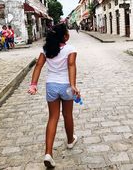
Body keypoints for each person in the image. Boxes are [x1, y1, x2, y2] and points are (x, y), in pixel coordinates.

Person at [28, 23, 80, 168]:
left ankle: (48, 153)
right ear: (65, 36)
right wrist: (73, 85)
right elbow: (71, 66)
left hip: (51, 86)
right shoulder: (70, 49)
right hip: (66, 86)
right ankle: (70, 141)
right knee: (68, 115)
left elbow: (38, 65)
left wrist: (33, 85)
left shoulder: (46, 49)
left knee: (53, 117)